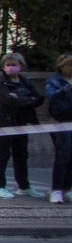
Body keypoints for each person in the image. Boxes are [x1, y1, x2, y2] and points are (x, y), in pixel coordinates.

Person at [0, 51, 44, 199]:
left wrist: (21, 99)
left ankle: (24, 186)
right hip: (2, 122)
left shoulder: (25, 82)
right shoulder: (0, 83)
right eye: (8, 65)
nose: (11, 68)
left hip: (21, 122)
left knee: (21, 154)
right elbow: (9, 101)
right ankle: (0, 186)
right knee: (2, 154)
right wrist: (26, 100)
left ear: (21, 66)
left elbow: (38, 99)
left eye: (14, 65)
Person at [47, 52, 72, 205]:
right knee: (63, 155)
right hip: (60, 121)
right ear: (61, 67)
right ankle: (56, 190)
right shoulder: (54, 81)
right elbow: (51, 96)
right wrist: (67, 89)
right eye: (69, 66)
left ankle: (67, 188)